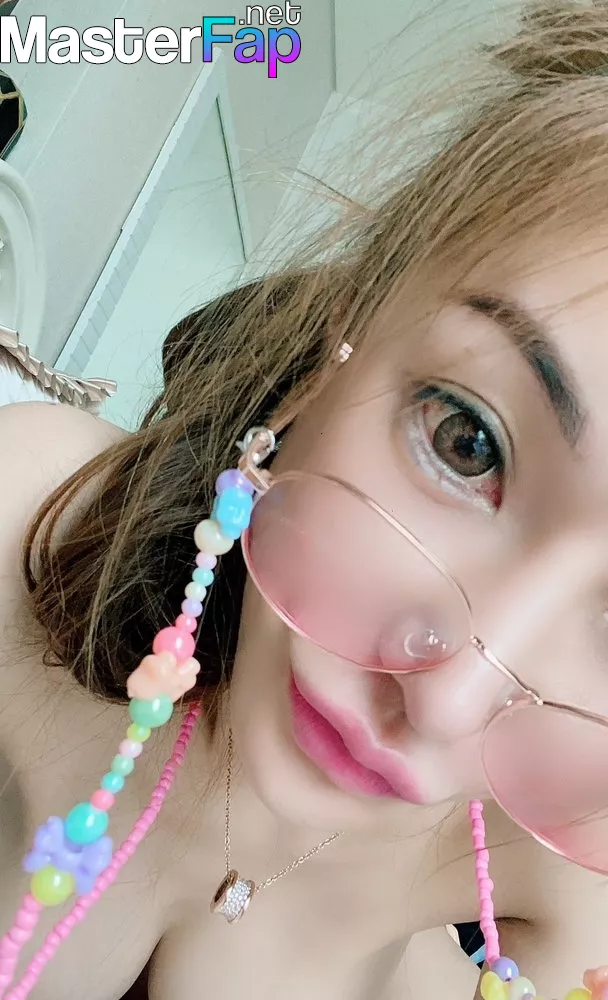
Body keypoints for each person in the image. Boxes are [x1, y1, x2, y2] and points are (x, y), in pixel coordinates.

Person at [2, 3, 608, 998]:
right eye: (465, 441)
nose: (446, 702)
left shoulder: (559, 883)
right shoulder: (22, 514)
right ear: (340, 339)